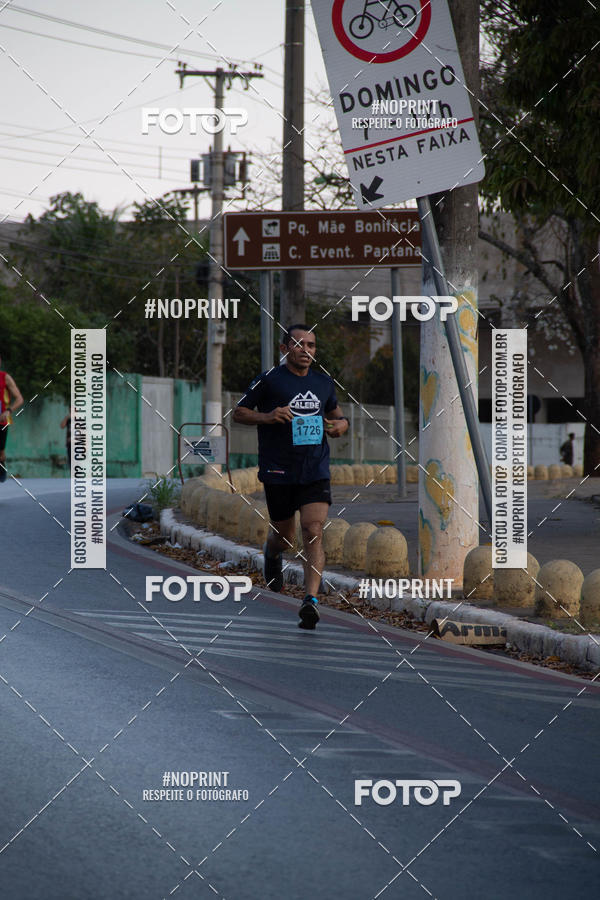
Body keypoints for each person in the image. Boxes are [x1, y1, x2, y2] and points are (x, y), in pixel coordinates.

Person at [233, 325, 349, 629]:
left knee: (313, 529)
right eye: (299, 344)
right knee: (284, 536)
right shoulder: (269, 380)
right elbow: (239, 412)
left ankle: (310, 600)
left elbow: (338, 416)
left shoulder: (323, 383)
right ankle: (272, 552)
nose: (306, 350)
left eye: (311, 345)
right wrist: (269, 416)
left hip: (314, 470)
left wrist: (341, 426)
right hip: (278, 470)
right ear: (285, 348)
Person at [0, 357, 24, 483]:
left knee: (1, 452)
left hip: (2, 421)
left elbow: (20, 398)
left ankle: (2, 464)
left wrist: (8, 411)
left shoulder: (5, 377)